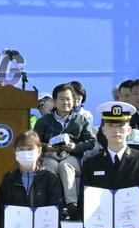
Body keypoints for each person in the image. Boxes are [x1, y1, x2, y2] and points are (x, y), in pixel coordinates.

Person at [33, 83, 96, 220]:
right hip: (50, 156)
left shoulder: (80, 120)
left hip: (71, 157)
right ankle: (49, 203)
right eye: (61, 99)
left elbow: (91, 142)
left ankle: (71, 204)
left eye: (68, 99)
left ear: (73, 101)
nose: (65, 102)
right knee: (50, 166)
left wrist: (76, 147)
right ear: (54, 102)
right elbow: (35, 142)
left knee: (65, 165)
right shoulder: (43, 121)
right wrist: (46, 147)